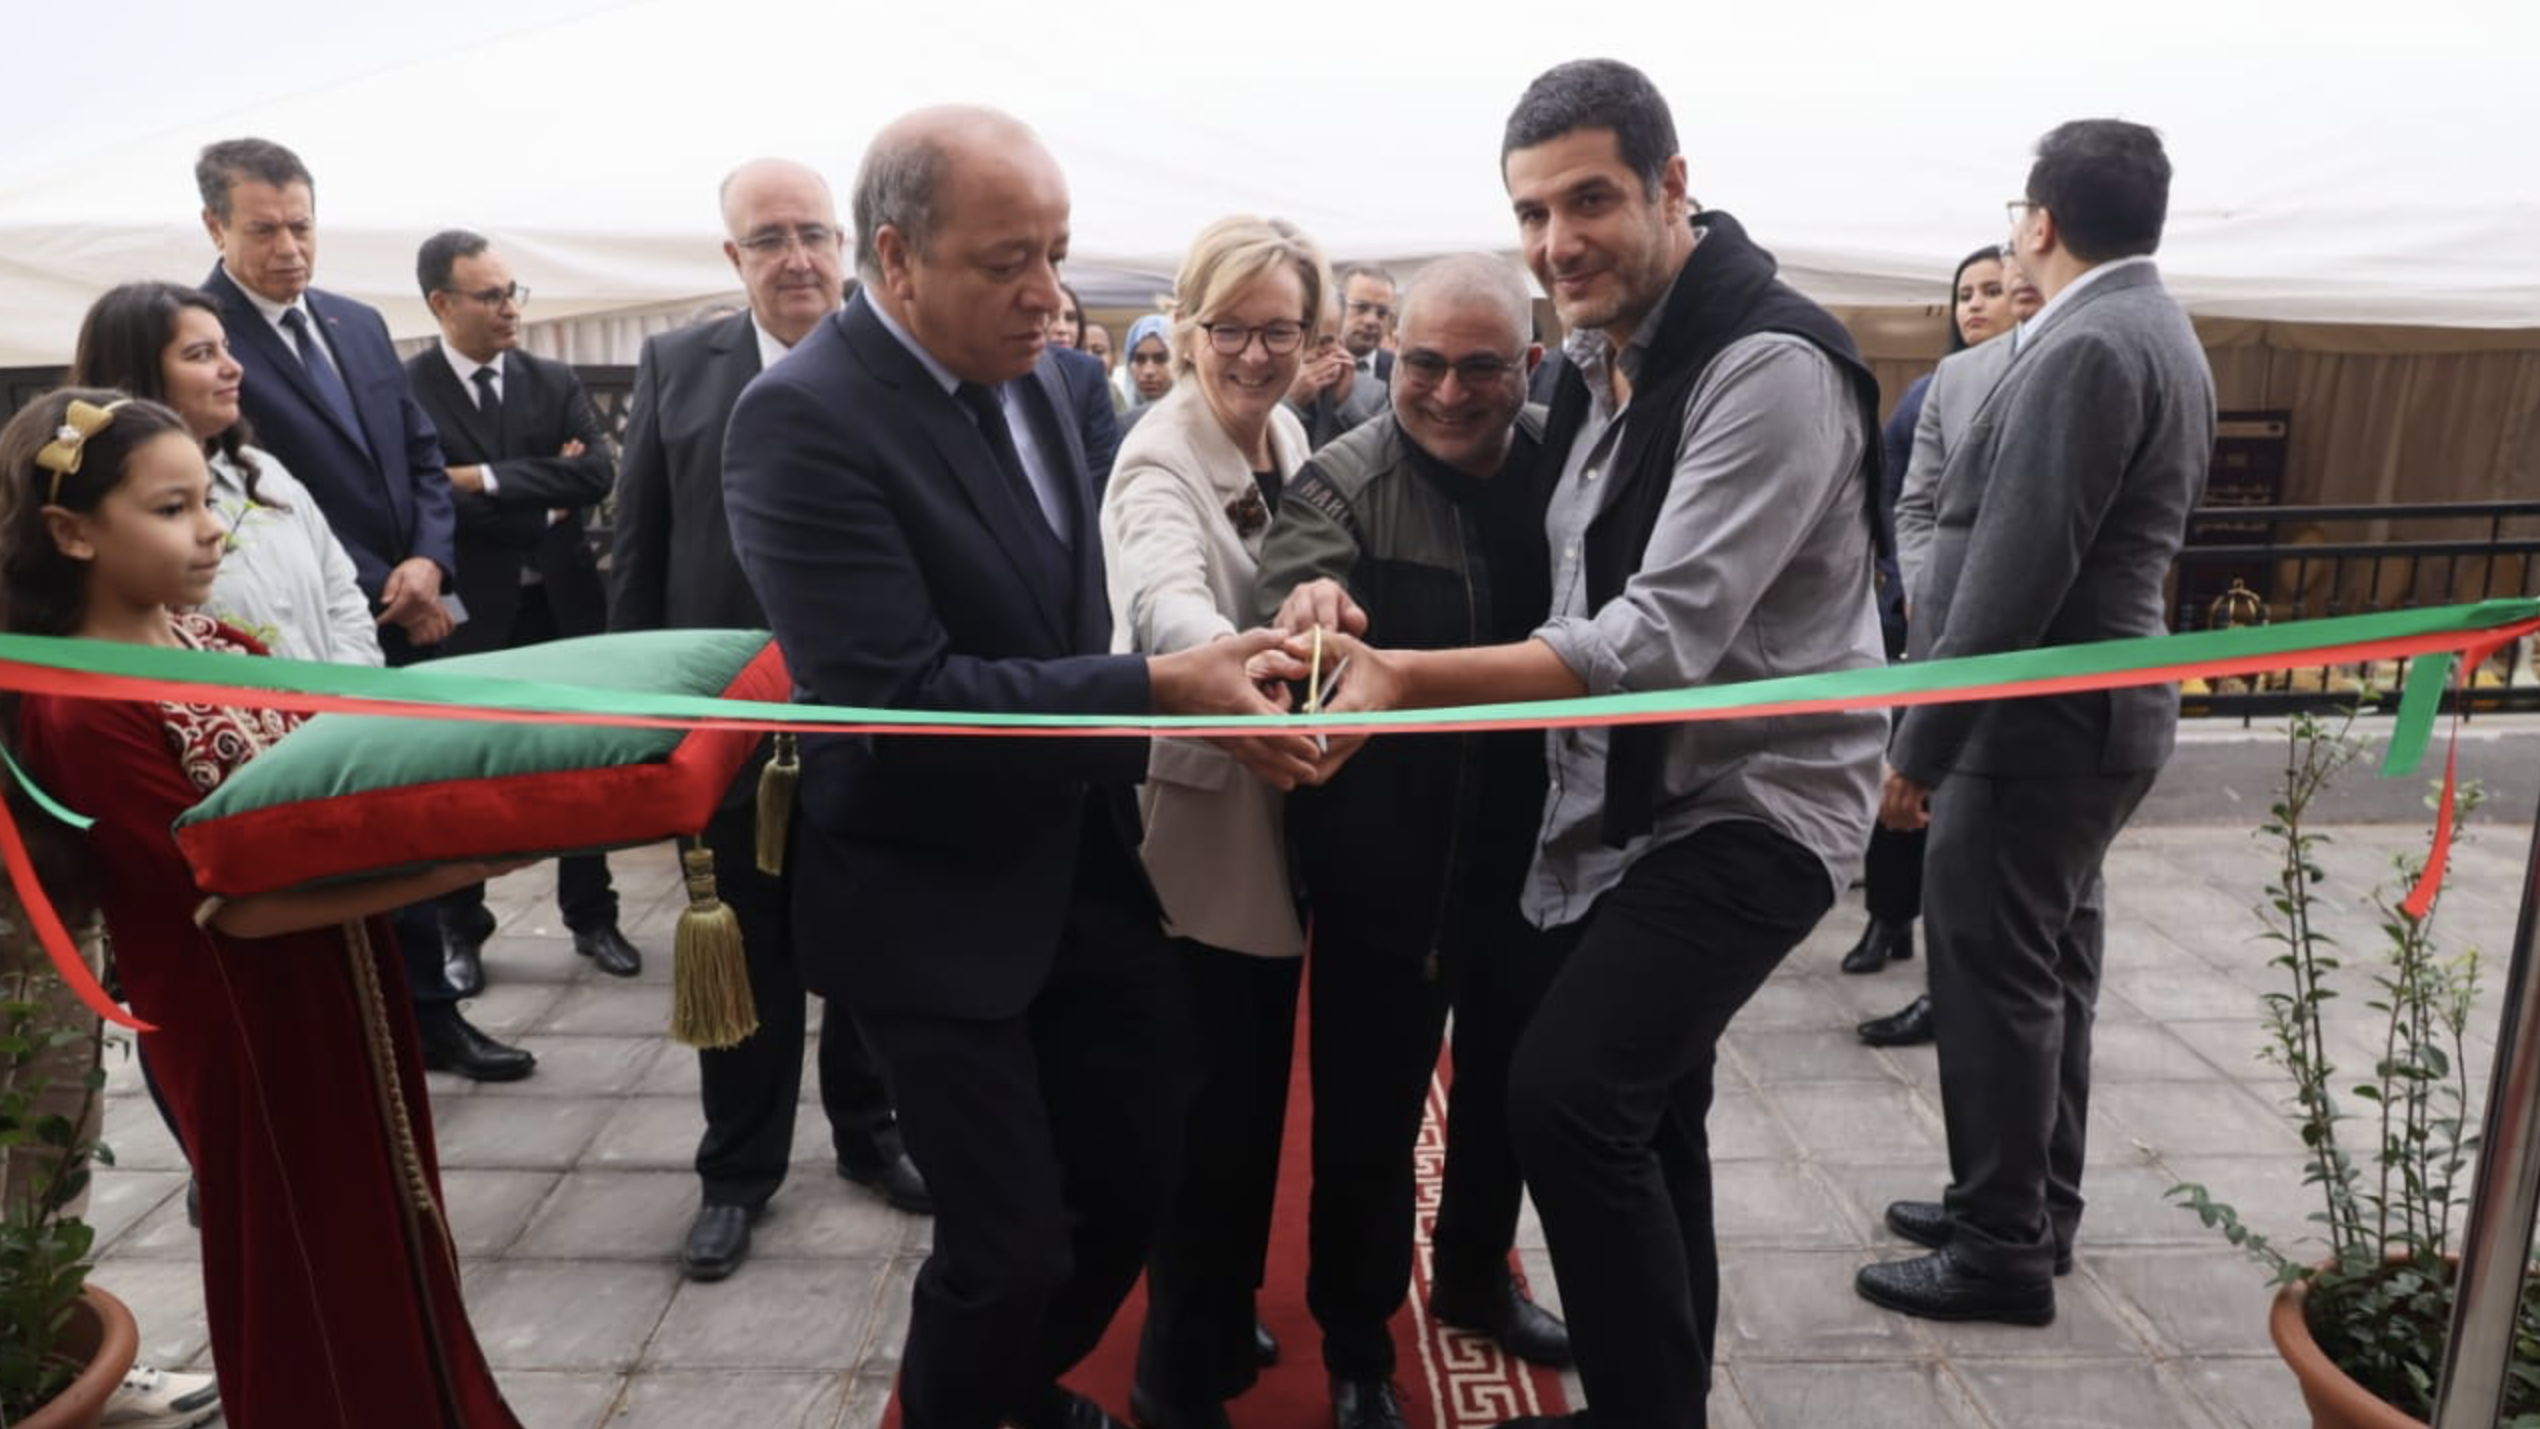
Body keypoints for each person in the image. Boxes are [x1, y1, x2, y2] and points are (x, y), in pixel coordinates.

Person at [1290, 60, 1889, 1429]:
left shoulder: (1767, 366)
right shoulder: (1615, 364)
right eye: (1533, 211)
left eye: (1591, 199)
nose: (1558, 240)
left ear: (1675, 186)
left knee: (1567, 1096)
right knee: (1651, 1112)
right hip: (1621, 807)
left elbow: (1656, 640)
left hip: (1751, 805)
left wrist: (1401, 679)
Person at [718, 105, 1315, 1429]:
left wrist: (1284, 609)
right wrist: (1169, 692)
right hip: (923, 896)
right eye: (1008, 262)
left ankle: (1012, 1392)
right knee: (1007, 1249)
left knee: (1141, 1170)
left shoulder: (1053, 380)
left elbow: (1112, 587)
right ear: (897, 257)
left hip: (1082, 865)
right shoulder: (798, 422)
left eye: (1057, 252)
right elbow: (900, 696)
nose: (1050, 297)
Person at [0, 389, 525, 1429]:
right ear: (70, 532)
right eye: (169, 508)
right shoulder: (80, 710)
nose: (207, 530)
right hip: (250, 1025)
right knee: (313, 1259)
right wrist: (470, 856)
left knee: (391, 1224)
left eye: (207, 499)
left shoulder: (217, 641)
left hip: (344, 980)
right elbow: (232, 906)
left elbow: (331, 799)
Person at [1855, 118, 2214, 1328]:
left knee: (1996, 979)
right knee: (2048, 972)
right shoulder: (2151, 325)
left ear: (2041, 222)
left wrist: (1917, 749)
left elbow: (2014, 575)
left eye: (2018, 214)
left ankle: (1998, 1246)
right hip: (2083, 718)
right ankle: (2019, 1203)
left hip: (2036, 723)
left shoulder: (2086, 344)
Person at [1253, 253, 1573, 1429]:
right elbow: (1296, 595)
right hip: (1384, 867)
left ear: (1526, 366)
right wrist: (1305, 616)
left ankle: (1477, 1280)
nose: (1443, 390)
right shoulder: (1341, 482)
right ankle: (1354, 1347)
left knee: (1505, 1096)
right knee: (1365, 1127)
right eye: (1421, 363)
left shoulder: (1566, 470)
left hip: (1536, 859)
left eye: (1477, 366)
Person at [609, 157, 928, 1283]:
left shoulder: (896, 361)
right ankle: (736, 1174)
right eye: (768, 238)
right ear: (730, 256)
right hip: (729, 730)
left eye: (813, 233)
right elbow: (639, 544)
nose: (797, 257)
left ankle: (871, 1131)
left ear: (845, 244)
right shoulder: (675, 364)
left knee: (868, 947)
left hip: (866, 717)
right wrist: (649, 721)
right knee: (739, 958)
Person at [192, 136, 529, 1083]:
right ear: (215, 225)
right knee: (342, 842)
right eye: (265, 229)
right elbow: (261, 489)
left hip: (413, 598)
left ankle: (433, 1017)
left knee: (420, 821)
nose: (291, 248)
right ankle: (361, 1037)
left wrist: (430, 558)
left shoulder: (355, 321)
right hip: (307, 629)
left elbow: (420, 455)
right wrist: (390, 580)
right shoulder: (201, 336)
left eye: (303, 225)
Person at [1098, 214, 1318, 1429]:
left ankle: (1222, 1317)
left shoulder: (1280, 427)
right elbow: (1164, 600)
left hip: (1264, 806)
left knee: (1244, 1108)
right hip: (1194, 834)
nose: (1251, 353)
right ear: (1184, 329)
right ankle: (1173, 1381)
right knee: (1204, 1129)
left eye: (1276, 328)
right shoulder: (1156, 458)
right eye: (1227, 328)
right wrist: (1231, 666)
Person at [404, 229, 637, 994]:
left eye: (513, 292)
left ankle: (592, 915)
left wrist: (485, 480)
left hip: (564, 602)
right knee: (465, 774)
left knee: (580, 765)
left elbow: (597, 473)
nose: (510, 309)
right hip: (473, 614)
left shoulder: (550, 376)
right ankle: (460, 930)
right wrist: (539, 492)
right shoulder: (409, 391)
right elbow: (428, 493)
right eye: (491, 295)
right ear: (442, 303)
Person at [1847, 245, 2042, 1049]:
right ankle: (1887, 919)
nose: (1977, 305)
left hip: (1993, 639)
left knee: (1953, 805)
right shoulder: (1931, 392)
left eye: (1993, 290)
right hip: (1913, 615)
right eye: (1965, 292)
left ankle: (1943, 979)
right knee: (1900, 776)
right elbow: (1898, 496)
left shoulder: (2041, 382)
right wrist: (1909, 583)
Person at [70, 281, 379, 668]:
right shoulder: (112, 499)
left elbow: (344, 599)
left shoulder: (265, 472)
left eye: (226, 348)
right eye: (201, 355)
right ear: (137, 371)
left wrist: (338, 704)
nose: (233, 368)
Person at [1283, 287, 1384, 449]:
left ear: (1340, 343)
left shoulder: (1373, 394)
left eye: (1323, 342)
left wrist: (1343, 404)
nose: (1308, 354)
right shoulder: (1257, 385)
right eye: (1300, 340)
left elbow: (1378, 456)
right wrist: (1290, 404)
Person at [1334, 263, 1399, 385]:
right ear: (1338, 307)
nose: (1371, 321)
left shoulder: (1398, 372)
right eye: (1361, 307)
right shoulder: (1309, 366)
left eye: (1382, 312)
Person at [1118, 313, 1176, 427]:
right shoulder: (1118, 423)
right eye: (1139, 359)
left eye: (1161, 359)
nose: (1148, 371)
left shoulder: (1195, 420)